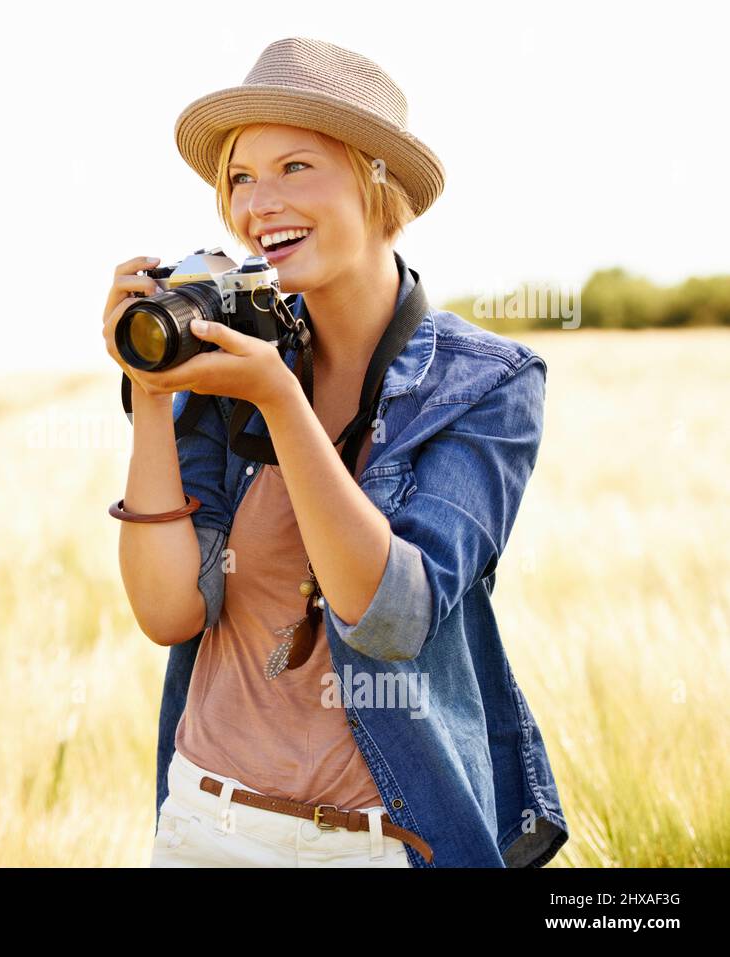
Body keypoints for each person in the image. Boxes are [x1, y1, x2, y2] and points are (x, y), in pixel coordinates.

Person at [101, 37, 569, 867]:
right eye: (241, 178)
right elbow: (168, 611)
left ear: (374, 177)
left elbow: (392, 614)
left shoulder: (485, 385)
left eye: (295, 167)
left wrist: (282, 403)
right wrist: (151, 390)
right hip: (203, 823)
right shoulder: (234, 357)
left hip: (382, 845)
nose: (259, 204)